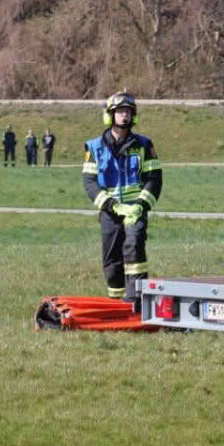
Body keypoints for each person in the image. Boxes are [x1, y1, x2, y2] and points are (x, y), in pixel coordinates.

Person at [82, 92, 162, 302]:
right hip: (111, 211)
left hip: (135, 211)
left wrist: (139, 206)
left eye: (128, 111)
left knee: (134, 247)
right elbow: (89, 183)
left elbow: (154, 179)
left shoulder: (144, 145)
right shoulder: (94, 147)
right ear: (109, 115)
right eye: (120, 111)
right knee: (111, 261)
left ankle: (136, 300)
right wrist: (111, 205)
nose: (124, 115)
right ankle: (115, 303)